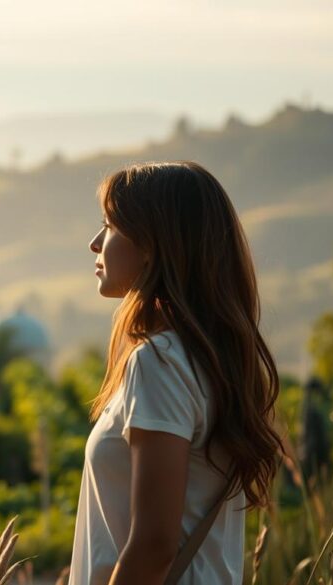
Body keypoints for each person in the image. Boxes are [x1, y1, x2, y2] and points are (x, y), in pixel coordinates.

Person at [69, 161, 284, 584]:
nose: (95, 243)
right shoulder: (211, 361)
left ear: (152, 244)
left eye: (109, 226)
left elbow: (154, 545)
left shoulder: (160, 362)